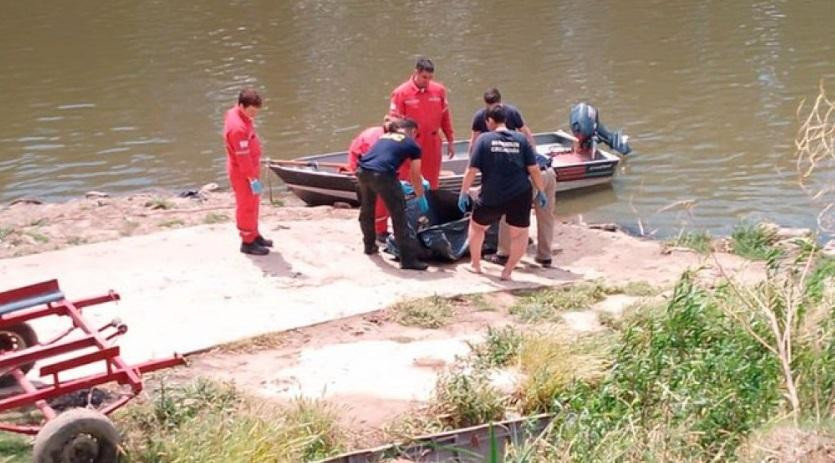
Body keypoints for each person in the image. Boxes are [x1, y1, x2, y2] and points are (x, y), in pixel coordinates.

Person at [469, 89, 557, 268]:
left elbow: (527, 169)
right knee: (546, 216)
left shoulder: (500, 141)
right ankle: (545, 255)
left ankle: (504, 254)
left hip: (535, 175)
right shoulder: (520, 140)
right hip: (548, 171)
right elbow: (527, 135)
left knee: (509, 207)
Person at [459, 105, 547, 281]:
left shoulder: (483, 140)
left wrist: (463, 192)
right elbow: (534, 169)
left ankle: (475, 265)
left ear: (489, 121)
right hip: (520, 193)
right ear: (506, 120)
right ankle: (508, 270)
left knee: (477, 227)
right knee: (520, 233)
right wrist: (541, 191)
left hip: (492, 193)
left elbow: (471, 170)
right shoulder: (521, 139)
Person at [356, 118, 430, 271]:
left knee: (367, 211)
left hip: (362, 171)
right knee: (399, 216)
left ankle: (369, 246)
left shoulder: (385, 136)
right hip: (383, 175)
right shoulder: (412, 144)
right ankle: (408, 260)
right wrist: (421, 195)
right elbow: (415, 175)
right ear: (413, 131)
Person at [389, 57, 455, 189]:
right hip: (411, 143)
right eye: (424, 77)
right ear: (416, 73)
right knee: (409, 179)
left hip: (432, 143)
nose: (427, 81)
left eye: (430, 78)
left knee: (432, 182)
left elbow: (445, 117)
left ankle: (430, 205)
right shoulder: (401, 93)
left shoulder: (439, 91)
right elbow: (394, 122)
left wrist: (450, 140)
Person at [224, 88, 271, 256]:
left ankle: (254, 234)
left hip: (250, 168)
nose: (254, 115)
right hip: (243, 173)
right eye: (251, 111)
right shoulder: (237, 128)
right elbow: (242, 158)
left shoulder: (237, 114)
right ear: (241, 106)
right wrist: (252, 178)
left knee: (254, 204)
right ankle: (247, 242)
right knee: (246, 206)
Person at [347, 115, 400, 242]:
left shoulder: (382, 135)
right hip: (367, 168)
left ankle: (370, 240)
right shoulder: (377, 139)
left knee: (370, 204)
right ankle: (379, 231)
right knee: (379, 201)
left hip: (366, 167)